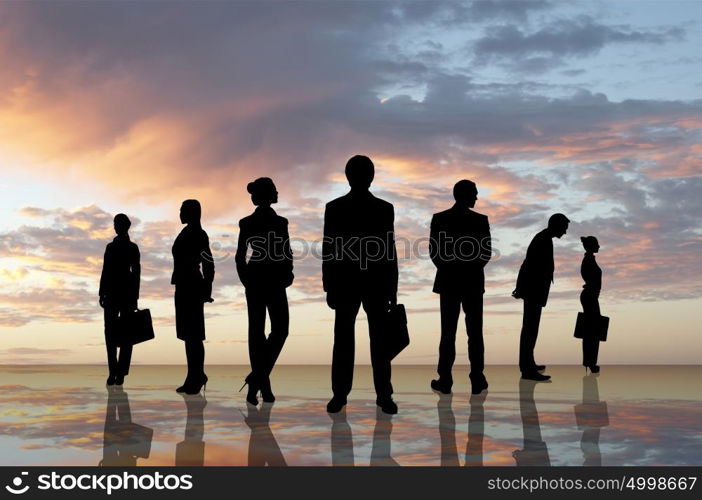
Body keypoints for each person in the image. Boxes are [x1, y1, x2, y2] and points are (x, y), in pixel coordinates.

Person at [323, 155, 399, 415]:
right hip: (353, 282)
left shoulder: (381, 208)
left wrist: (392, 288)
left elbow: (389, 249)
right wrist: (329, 285)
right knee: (354, 340)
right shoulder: (337, 208)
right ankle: (347, 394)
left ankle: (378, 394)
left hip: (367, 282)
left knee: (371, 340)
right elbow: (329, 248)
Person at [235, 177, 293, 405]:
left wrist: (288, 272)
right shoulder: (247, 223)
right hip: (260, 280)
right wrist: (245, 279)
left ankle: (257, 378)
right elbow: (240, 255)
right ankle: (262, 385)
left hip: (272, 280)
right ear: (269, 194)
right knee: (258, 332)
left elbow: (286, 251)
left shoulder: (281, 223)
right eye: (274, 190)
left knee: (277, 330)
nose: (278, 192)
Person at [429, 180, 491, 395]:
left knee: (449, 332)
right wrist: (469, 269)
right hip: (471, 282)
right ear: (465, 195)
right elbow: (485, 253)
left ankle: (446, 378)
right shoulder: (480, 221)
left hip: (449, 282)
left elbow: (435, 253)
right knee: (474, 332)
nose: (477, 197)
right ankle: (476, 377)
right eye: (474, 193)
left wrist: (450, 269)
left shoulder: (440, 219)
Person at [512, 213, 569, 381]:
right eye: (564, 228)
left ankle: (528, 364)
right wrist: (521, 288)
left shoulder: (544, 238)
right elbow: (528, 264)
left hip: (535, 291)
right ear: (556, 225)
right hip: (533, 291)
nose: (565, 232)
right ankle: (527, 369)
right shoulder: (542, 239)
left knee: (531, 329)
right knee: (530, 329)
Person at [171, 199, 214, 395]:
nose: (179, 213)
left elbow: (208, 263)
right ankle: (194, 376)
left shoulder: (198, 234)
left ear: (191, 212)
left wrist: (206, 289)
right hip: (182, 285)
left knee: (194, 336)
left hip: (192, 286)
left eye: (182, 210)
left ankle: (197, 376)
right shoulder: (187, 232)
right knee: (188, 335)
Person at [99, 213, 140, 386]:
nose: (115, 226)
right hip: (114, 294)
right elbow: (105, 270)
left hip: (125, 294)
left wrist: (135, 297)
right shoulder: (111, 247)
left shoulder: (132, 247)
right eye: (115, 223)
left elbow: (136, 273)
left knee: (125, 334)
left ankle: (120, 372)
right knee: (112, 333)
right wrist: (102, 292)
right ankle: (114, 371)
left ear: (124, 226)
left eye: (117, 223)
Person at [579, 236, 602, 373]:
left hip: (591, 295)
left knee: (593, 329)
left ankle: (590, 361)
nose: (599, 246)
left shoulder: (590, 259)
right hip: (590, 296)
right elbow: (588, 276)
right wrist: (589, 285)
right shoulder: (588, 260)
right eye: (597, 244)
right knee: (592, 331)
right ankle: (590, 362)